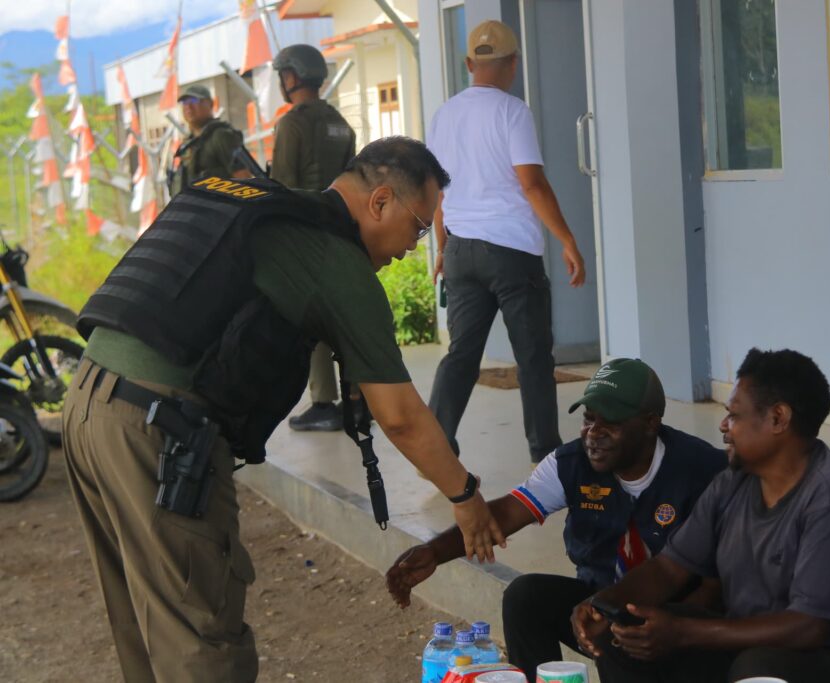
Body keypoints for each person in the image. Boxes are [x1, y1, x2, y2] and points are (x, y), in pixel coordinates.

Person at [63, 136, 505, 683]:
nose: (415, 248)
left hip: (89, 402)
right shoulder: (335, 261)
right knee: (201, 638)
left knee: (145, 624)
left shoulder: (258, 205)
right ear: (380, 201)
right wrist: (465, 497)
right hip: (157, 431)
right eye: (419, 227)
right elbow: (400, 416)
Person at [571, 348, 830, 683]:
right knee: (627, 633)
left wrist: (682, 632)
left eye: (735, 415)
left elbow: (809, 627)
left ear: (778, 418)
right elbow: (668, 569)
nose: (724, 425)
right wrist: (604, 604)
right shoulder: (732, 483)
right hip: (755, 643)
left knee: (759, 668)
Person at [387, 358, 727, 680]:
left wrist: (671, 627)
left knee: (617, 627)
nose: (594, 433)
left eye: (610, 423)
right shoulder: (570, 463)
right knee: (525, 597)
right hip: (597, 606)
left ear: (651, 423)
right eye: (589, 419)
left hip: (678, 617)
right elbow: (505, 513)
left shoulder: (703, 471)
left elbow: (719, 583)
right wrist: (434, 552)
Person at [427, 19, 587, 465]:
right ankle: (545, 452)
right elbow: (532, 184)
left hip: (460, 250)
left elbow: (436, 191)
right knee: (533, 357)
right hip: (511, 253)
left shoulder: (444, 115)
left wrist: (442, 248)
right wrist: (568, 240)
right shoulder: (513, 112)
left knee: (461, 354)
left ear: (468, 64)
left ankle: (435, 446)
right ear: (513, 63)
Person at [268, 43, 360, 432]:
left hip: (305, 233)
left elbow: (282, 187)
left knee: (313, 319)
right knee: (346, 317)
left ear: (291, 76)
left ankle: (324, 402)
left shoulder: (292, 124)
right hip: (341, 231)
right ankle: (358, 398)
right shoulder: (341, 122)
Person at [168, 84, 248, 196]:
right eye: (185, 102)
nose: (188, 106)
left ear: (210, 104)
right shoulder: (187, 145)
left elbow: (244, 178)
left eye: (194, 100)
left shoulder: (221, 136)